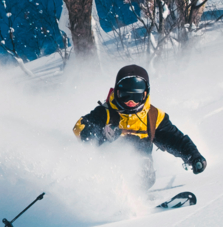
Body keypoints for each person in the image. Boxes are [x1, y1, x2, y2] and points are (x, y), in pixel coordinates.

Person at [73, 64, 206, 192]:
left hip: (142, 171)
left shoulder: (153, 116)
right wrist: (101, 134)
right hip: (107, 168)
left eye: (136, 96)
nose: (131, 102)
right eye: (125, 96)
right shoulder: (105, 112)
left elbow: (176, 140)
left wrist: (193, 157)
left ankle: (132, 197)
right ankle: (110, 196)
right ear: (117, 92)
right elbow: (80, 129)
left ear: (145, 94)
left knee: (143, 165)